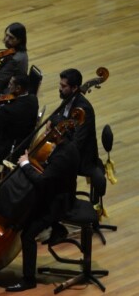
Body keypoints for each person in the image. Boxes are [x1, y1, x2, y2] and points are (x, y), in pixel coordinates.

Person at [6, 135, 79, 292]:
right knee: (28, 216)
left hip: (58, 204)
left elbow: (42, 182)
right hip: (60, 195)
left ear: (59, 132)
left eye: (49, 128)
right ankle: (56, 228)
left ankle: (28, 280)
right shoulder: (68, 146)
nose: (46, 132)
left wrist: (25, 164)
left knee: (28, 235)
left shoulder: (62, 155)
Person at [48, 68, 106, 203]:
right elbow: (59, 116)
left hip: (82, 158)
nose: (60, 89)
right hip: (69, 146)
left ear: (74, 88)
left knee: (53, 166)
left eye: (63, 86)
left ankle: (62, 203)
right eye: (60, 85)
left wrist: (58, 148)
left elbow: (77, 144)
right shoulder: (68, 98)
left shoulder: (83, 110)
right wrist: (52, 120)